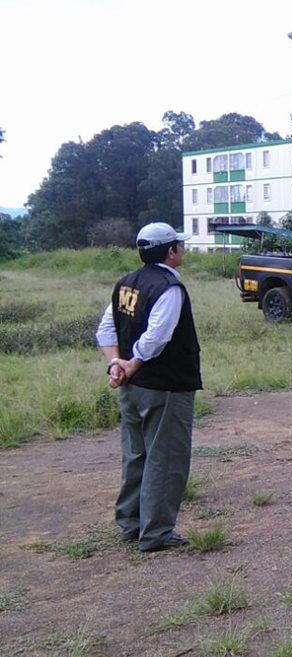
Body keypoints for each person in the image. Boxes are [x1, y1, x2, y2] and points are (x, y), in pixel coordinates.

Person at [95, 223, 201, 553]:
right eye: (178, 246)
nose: (181, 250)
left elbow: (106, 329)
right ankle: (156, 532)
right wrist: (133, 362)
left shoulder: (127, 283)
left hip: (131, 386)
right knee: (165, 457)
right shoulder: (169, 287)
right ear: (170, 251)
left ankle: (130, 523)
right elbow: (156, 337)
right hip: (165, 386)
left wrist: (117, 365)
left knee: (136, 454)